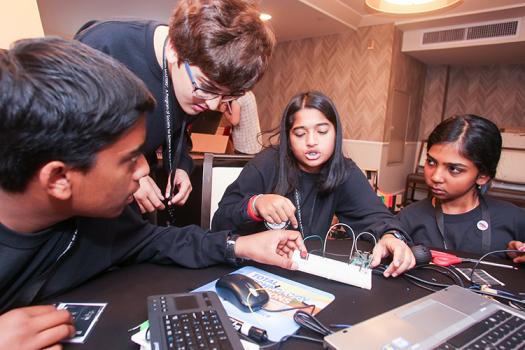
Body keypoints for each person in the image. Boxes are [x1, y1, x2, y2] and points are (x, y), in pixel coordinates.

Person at [0, 38, 305, 350]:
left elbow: (157, 240)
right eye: (130, 158)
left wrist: (242, 245)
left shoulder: (103, 221)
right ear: (59, 178)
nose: (145, 171)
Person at [75, 0, 275, 214]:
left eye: (229, 96)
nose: (213, 104)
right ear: (173, 50)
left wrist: (180, 164)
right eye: (206, 87)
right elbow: (69, 131)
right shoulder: (106, 44)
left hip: (138, 192)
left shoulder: (197, 86)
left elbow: (177, 130)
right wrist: (126, 168)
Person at [212, 91, 416, 277]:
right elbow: (219, 223)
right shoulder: (265, 164)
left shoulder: (344, 171)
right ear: (288, 137)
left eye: (322, 131)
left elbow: (376, 216)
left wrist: (392, 236)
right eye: (300, 134)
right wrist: (254, 204)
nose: (311, 141)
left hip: (306, 270)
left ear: (336, 133)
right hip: (254, 269)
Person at [397, 114, 525, 260]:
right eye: (431, 162)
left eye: (454, 169)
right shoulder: (408, 217)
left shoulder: (513, 218)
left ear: (482, 176)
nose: (436, 177)